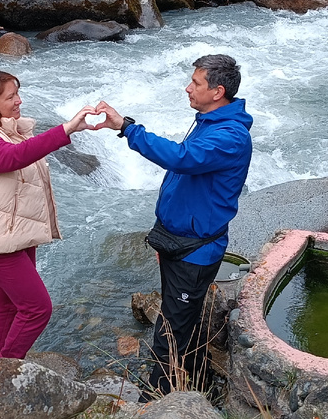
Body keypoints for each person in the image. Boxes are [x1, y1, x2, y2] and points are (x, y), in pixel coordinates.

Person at [95, 54, 253, 399]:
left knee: (171, 331)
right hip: (178, 242)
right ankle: (197, 381)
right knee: (180, 320)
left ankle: (160, 398)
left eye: (195, 83)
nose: (188, 88)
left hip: (195, 249)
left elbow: (179, 158)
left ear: (217, 91)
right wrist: (163, 240)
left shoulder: (229, 135)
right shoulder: (210, 121)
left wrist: (127, 127)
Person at [0, 69, 99, 359]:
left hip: (12, 233)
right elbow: (16, 157)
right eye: (11, 96)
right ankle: (7, 369)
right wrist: (66, 129)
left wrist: (70, 130)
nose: (19, 101)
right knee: (37, 308)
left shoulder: (7, 130)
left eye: (18, 93)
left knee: (9, 305)